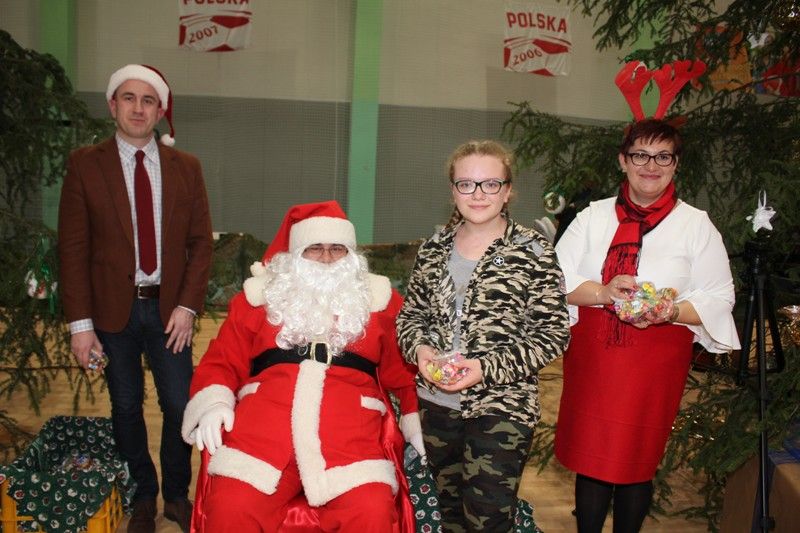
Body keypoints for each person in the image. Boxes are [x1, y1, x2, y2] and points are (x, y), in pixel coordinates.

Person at [181, 201, 424, 532]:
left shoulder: (380, 302)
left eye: (337, 249)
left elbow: (406, 371)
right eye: (314, 248)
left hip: (349, 440)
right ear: (295, 254)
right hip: (262, 437)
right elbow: (222, 360)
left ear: (351, 256)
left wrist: (414, 419)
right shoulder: (257, 300)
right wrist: (213, 404)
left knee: (371, 511)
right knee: (231, 507)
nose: (326, 258)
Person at [553, 118, 740, 532]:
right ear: (623, 161)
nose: (650, 166)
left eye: (662, 157)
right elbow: (554, 280)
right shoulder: (593, 217)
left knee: (637, 461)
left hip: (654, 364)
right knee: (592, 458)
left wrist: (671, 311)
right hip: (595, 359)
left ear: (676, 164)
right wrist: (604, 292)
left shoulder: (695, 224)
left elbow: (720, 297)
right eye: (640, 155)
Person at [58, 64, 214, 533]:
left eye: (149, 100)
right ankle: (143, 495)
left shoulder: (187, 167)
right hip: (112, 312)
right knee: (125, 407)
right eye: (129, 98)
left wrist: (187, 306)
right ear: (113, 105)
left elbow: (201, 245)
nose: (138, 108)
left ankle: (177, 495)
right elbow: (73, 249)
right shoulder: (85, 165)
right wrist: (80, 326)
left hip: (169, 312)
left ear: (160, 110)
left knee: (179, 404)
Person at [396, 140, 571, 532]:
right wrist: (420, 350)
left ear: (508, 191)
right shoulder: (433, 249)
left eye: (490, 184)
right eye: (467, 184)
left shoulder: (533, 252)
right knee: (450, 516)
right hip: (437, 404)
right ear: (453, 191)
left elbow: (553, 333)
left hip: (502, 406)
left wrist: (484, 368)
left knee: (487, 521)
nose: (478, 194)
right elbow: (410, 317)